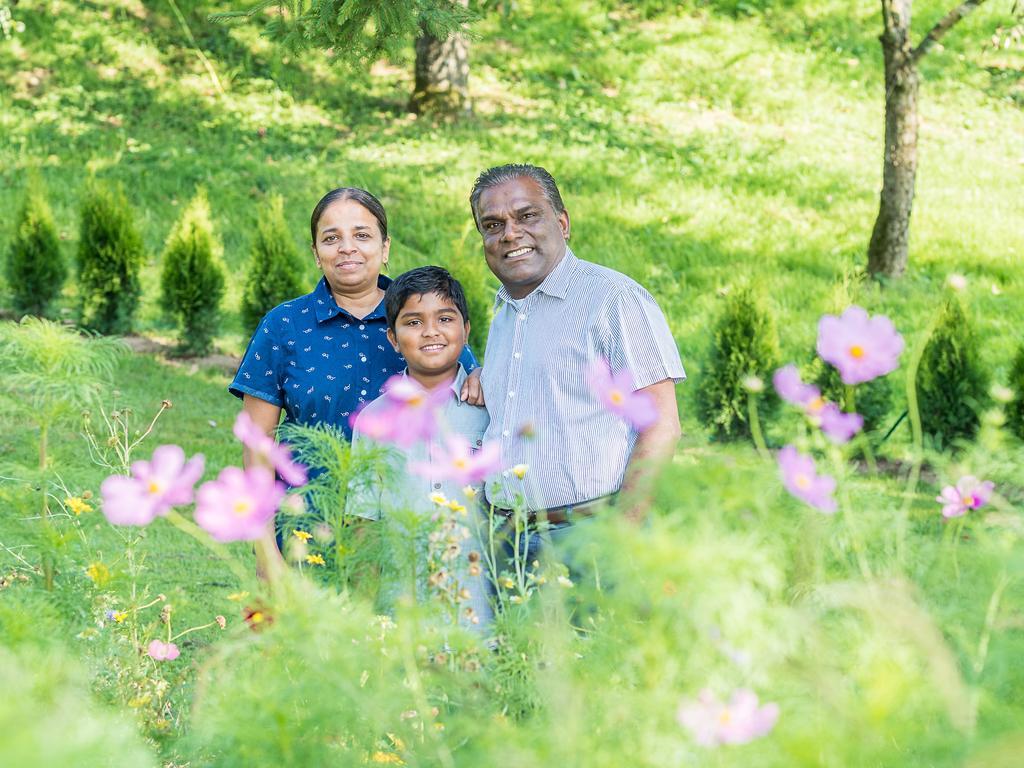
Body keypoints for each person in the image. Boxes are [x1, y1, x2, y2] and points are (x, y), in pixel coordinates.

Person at [229, 188, 481, 573]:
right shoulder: (284, 326)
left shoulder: (422, 319)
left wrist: (482, 375)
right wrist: (267, 556)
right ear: (316, 252)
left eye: (362, 235)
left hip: (406, 537)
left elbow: (468, 397)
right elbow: (257, 448)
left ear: (385, 247)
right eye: (332, 238)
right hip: (306, 533)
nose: (347, 247)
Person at [469, 163, 685, 544]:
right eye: (492, 225)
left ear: (563, 223)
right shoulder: (505, 315)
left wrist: (624, 532)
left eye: (527, 216)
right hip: (509, 542)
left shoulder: (613, 300)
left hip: (590, 535)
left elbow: (661, 425)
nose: (510, 233)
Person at [348, 266, 493, 633]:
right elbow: (364, 526)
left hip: (481, 618)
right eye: (413, 322)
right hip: (401, 618)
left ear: (466, 330)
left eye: (445, 318)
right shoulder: (374, 422)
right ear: (393, 339)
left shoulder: (493, 408)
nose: (430, 331)